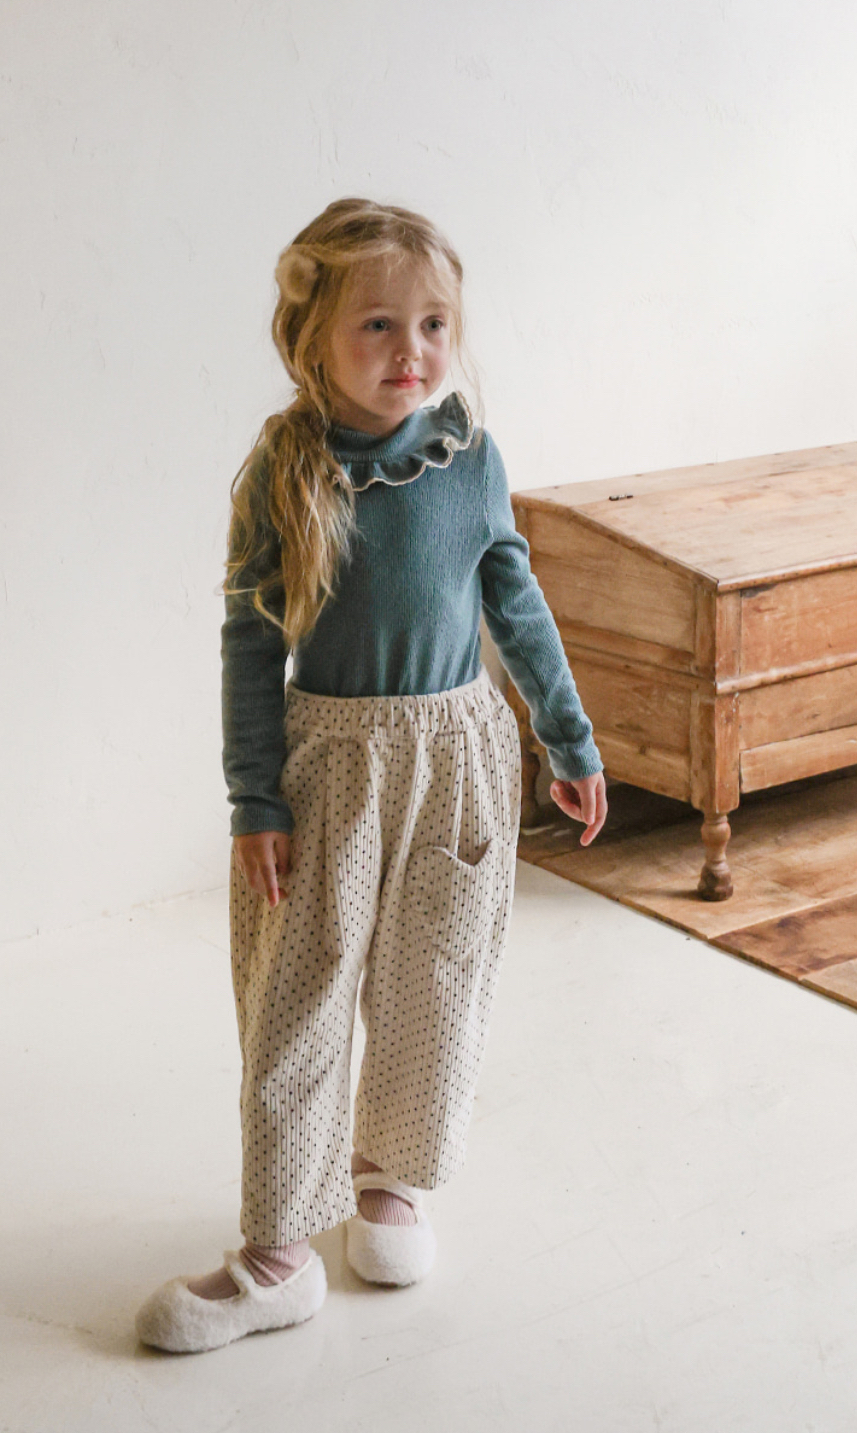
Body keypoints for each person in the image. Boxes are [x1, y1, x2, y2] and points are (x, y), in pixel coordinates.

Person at [135, 198, 606, 1353]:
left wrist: (568, 738)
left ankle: (390, 1176)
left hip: (459, 762)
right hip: (329, 771)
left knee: (432, 985)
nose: (411, 351)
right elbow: (250, 641)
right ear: (314, 336)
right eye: (379, 325)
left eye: (433, 324)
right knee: (295, 1003)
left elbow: (516, 605)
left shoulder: (470, 459)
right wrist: (256, 796)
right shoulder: (283, 468)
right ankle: (278, 1249)